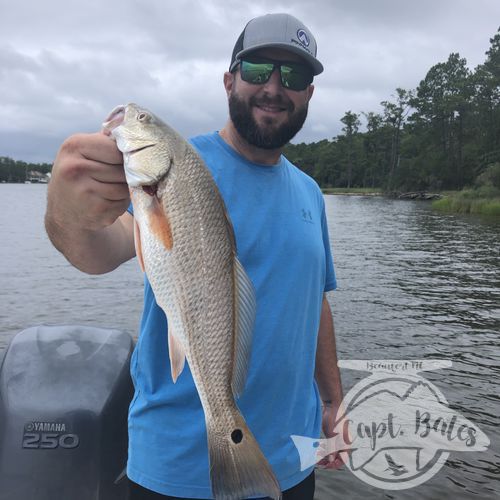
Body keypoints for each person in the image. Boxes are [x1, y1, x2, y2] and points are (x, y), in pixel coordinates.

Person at [45, 12, 344, 500]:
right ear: (229, 80)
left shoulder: (310, 192)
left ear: (309, 93)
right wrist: (65, 211)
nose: (273, 87)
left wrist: (332, 399)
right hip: (177, 469)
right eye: (256, 70)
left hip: (293, 459)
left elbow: (316, 302)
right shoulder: (178, 171)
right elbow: (99, 252)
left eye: (293, 76)